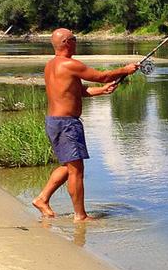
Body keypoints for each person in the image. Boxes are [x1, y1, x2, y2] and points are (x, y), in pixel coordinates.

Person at [32, 28, 138, 221]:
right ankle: (80, 215)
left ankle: (42, 198)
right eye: (74, 38)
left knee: (69, 166)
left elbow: (78, 91)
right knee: (77, 171)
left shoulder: (50, 66)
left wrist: (103, 91)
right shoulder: (70, 64)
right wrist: (125, 70)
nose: (76, 41)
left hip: (55, 122)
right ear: (66, 42)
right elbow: (102, 75)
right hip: (66, 124)